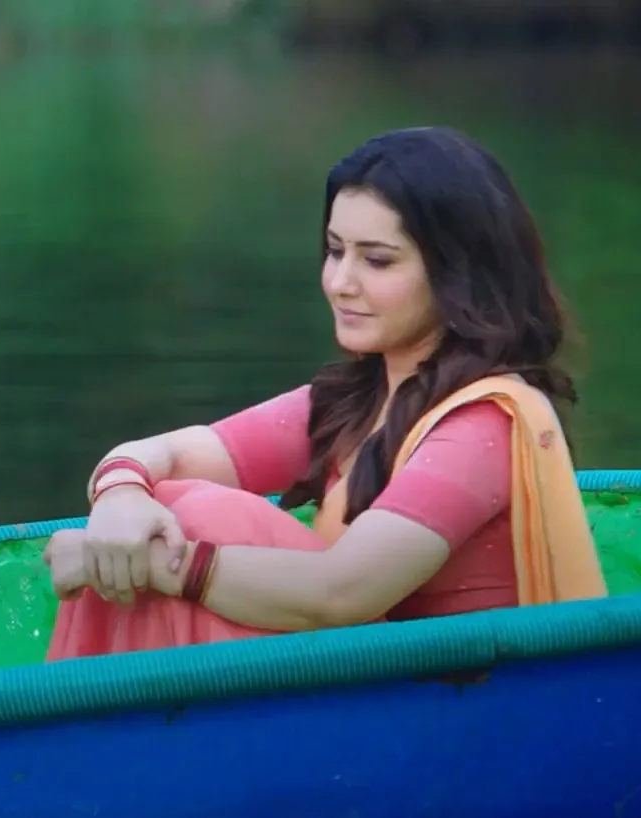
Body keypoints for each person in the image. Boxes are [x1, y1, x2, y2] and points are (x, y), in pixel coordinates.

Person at [43, 126, 608, 661]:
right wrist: (120, 498)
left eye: (377, 260)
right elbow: (163, 453)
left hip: (448, 706)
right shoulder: (352, 401)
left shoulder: (488, 422)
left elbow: (343, 592)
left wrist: (148, 565)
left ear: (458, 273)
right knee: (162, 505)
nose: (340, 283)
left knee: (206, 517)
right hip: (361, 686)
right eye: (336, 251)